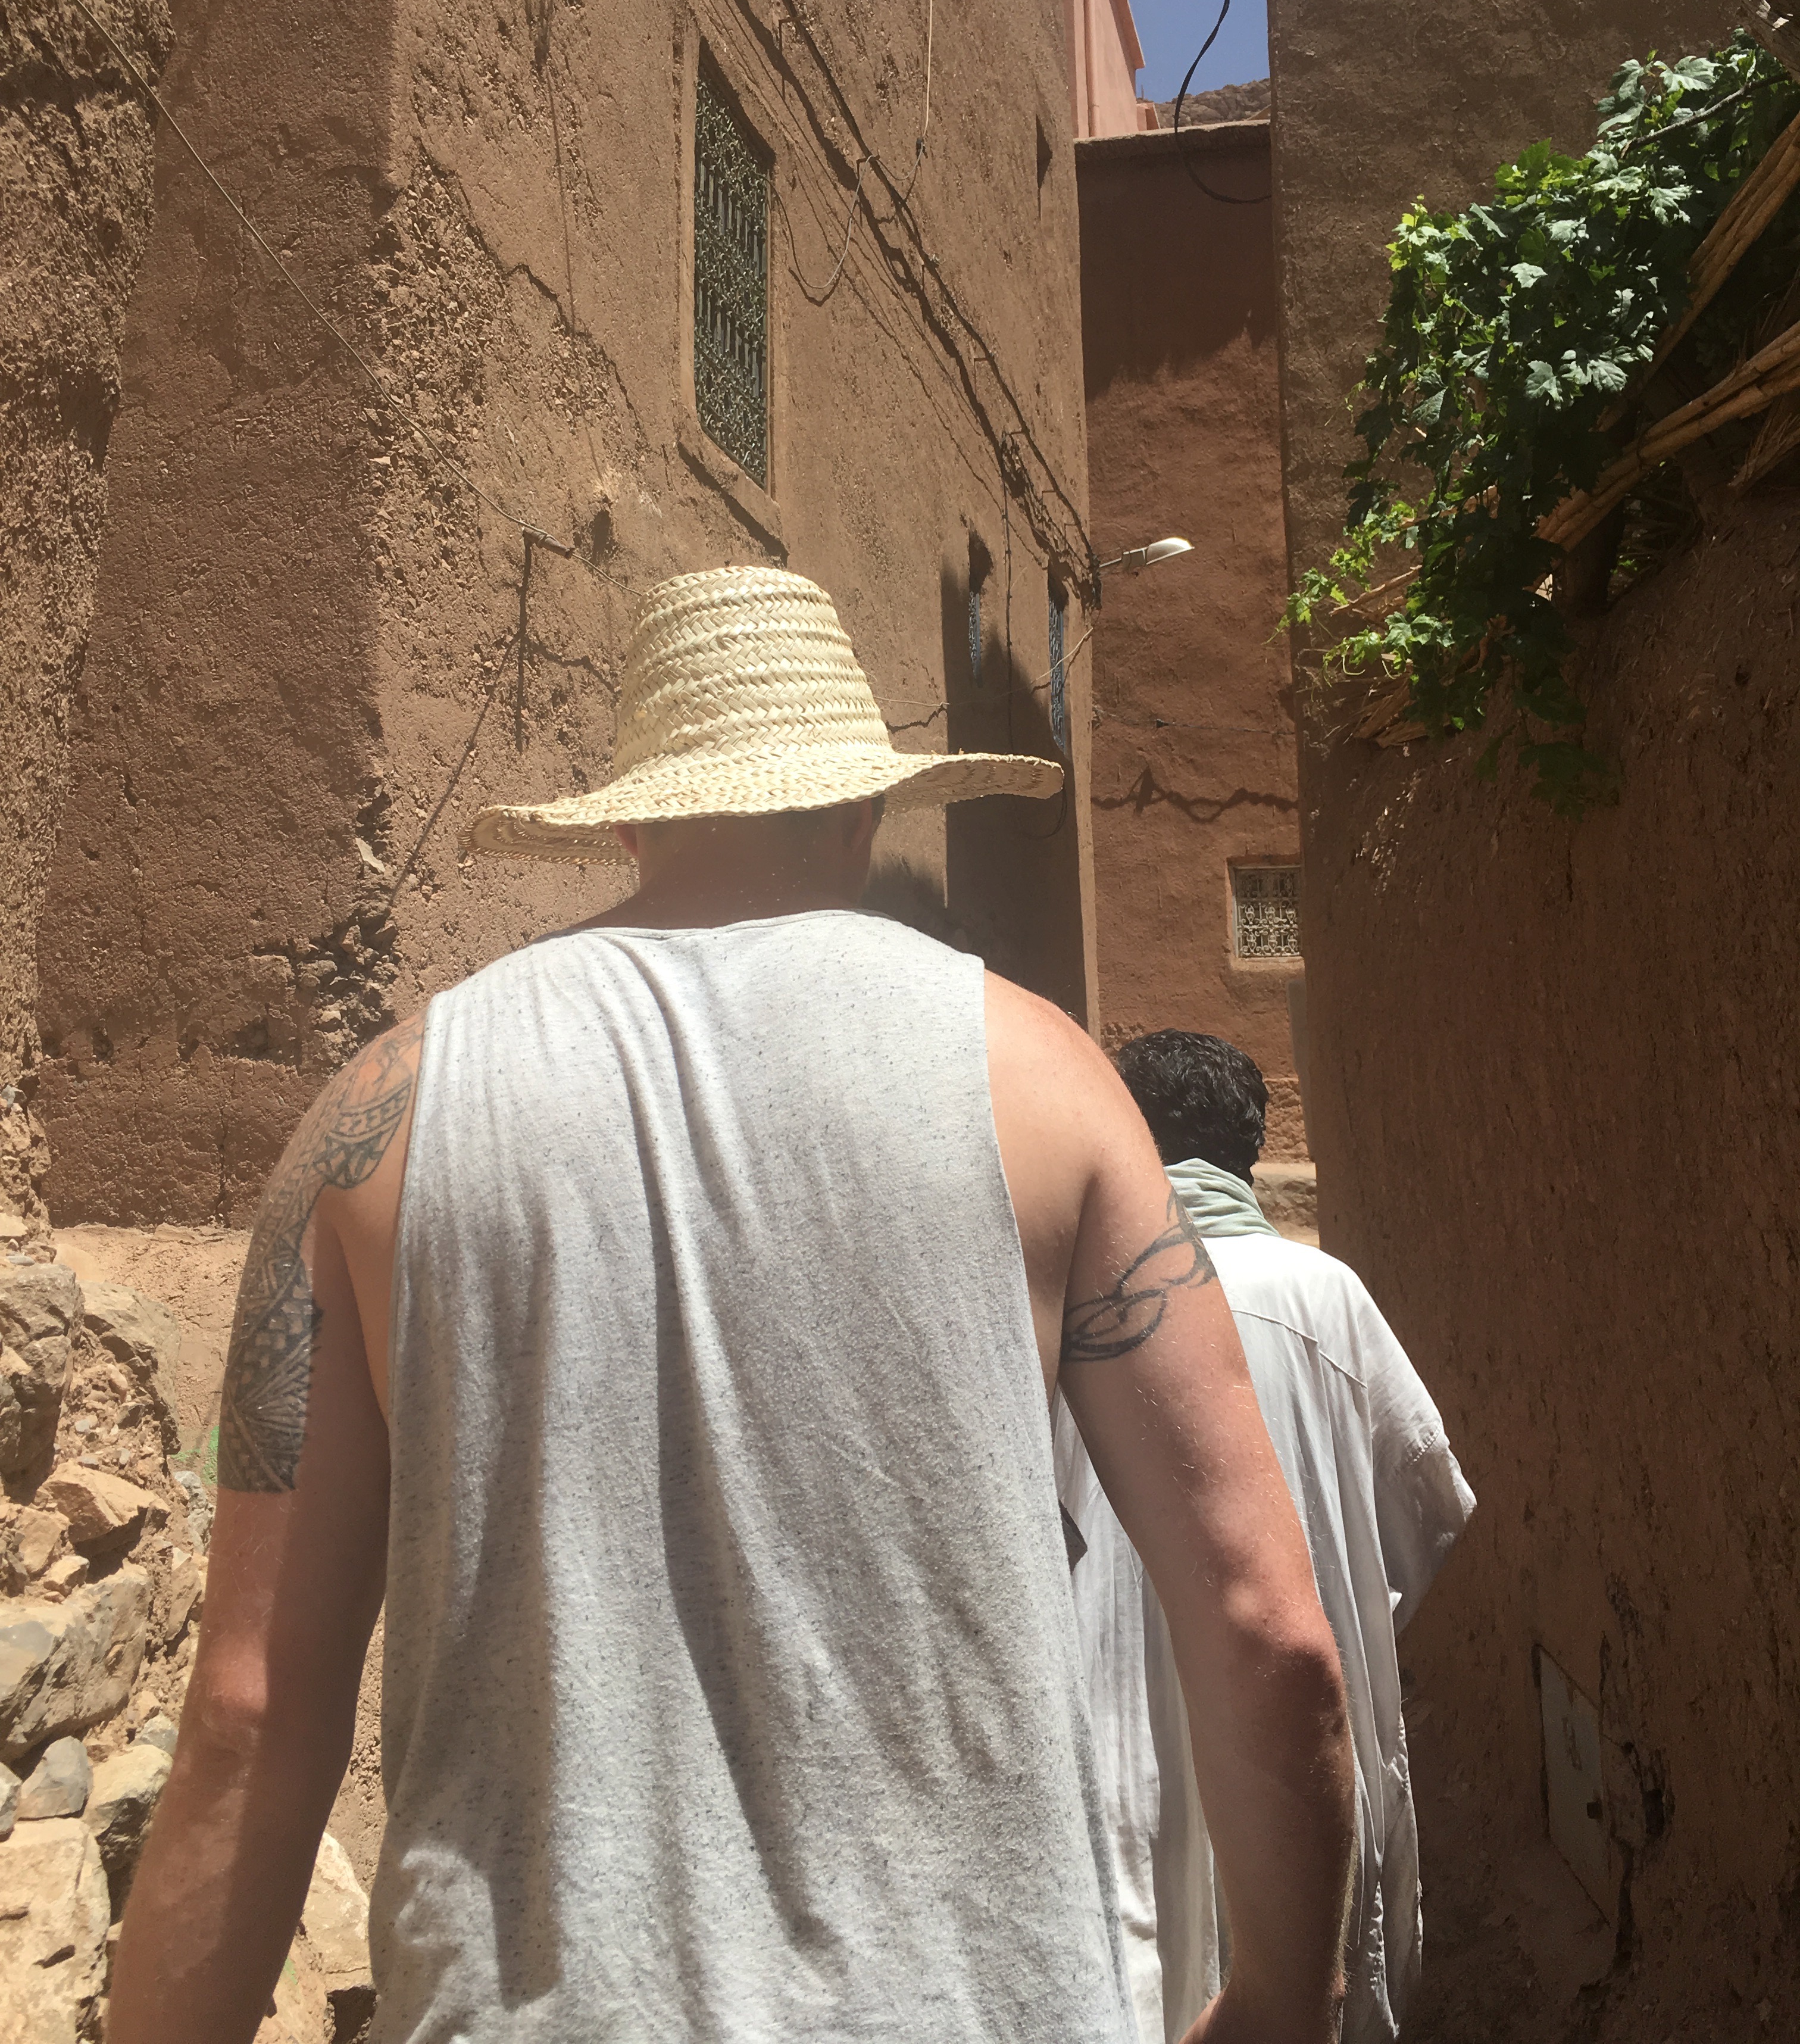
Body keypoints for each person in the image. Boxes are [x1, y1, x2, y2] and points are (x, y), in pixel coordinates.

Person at [109, 569, 1354, 2044]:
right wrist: (1280, 2000)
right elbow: (1268, 1631)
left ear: (629, 823)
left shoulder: (381, 1113)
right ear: (866, 807)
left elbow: (250, 1714)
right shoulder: (1045, 1077)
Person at [1055, 1030, 1474, 2044]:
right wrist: (1336, 1619)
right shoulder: (1325, 1296)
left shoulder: (1071, 1313)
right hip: (1305, 1748)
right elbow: (1425, 1512)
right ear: (1249, 1150)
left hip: (1117, 1763)